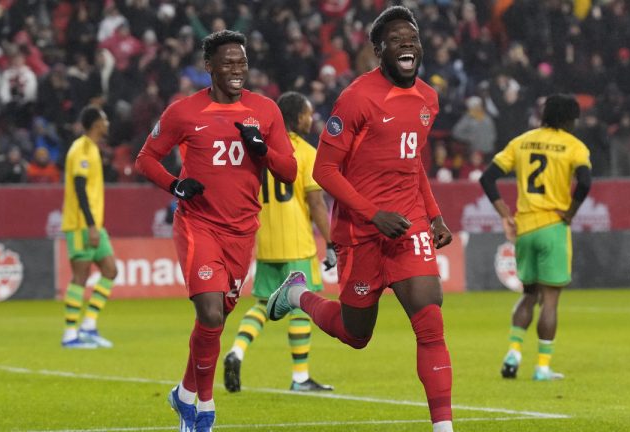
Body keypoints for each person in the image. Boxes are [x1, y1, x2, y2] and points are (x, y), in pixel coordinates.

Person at [264, 8, 454, 432]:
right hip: (360, 230)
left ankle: (444, 428)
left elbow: (413, 162)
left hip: (408, 226)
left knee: (430, 316)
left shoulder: (428, 98)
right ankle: (297, 295)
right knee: (356, 334)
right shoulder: (356, 98)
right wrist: (372, 214)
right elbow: (324, 170)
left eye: (413, 38)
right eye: (396, 39)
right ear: (378, 50)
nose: (407, 44)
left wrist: (434, 214)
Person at [134, 30, 297, 432]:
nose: (237, 69)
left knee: (217, 320)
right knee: (209, 313)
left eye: (241, 62)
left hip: (243, 231)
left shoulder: (266, 110)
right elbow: (145, 159)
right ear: (209, 67)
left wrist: (263, 150)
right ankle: (202, 410)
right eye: (228, 62)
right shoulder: (183, 112)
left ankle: (184, 392)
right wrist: (175, 185)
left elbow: (290, 171)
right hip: (198, 224)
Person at [223, 92, 335, 394]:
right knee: (301, 307)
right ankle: (300, 377)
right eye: (308, 113)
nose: (311, 119)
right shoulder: (305, 152)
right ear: (297, 117)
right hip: (297, 242)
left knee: (262, 305)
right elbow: (317, 204)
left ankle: (236, 351)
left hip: (267, 242)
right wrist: (331, 241)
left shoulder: (260, 151)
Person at [479, 94, 592, 381]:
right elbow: (585, 182)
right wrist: (571, 212)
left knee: (529, 294)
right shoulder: (574, 146)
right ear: (568, 119)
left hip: (525, 228)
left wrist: (506, 214)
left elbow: (487, 178)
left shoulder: (522, 141)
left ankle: (513, 352)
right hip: (553, 226)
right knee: (550, 301)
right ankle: (542, 367)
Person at [60, 106, 118, 349]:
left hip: (94, 224)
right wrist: (92, 226)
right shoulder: (81, 148)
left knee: (110, 271)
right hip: (81, 225)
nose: (107, 123)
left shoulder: (92, 148)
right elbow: (80, 188)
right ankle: (70, 334)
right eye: (104, 119)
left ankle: (88, 325)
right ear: (96, 123)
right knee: (81, 277)